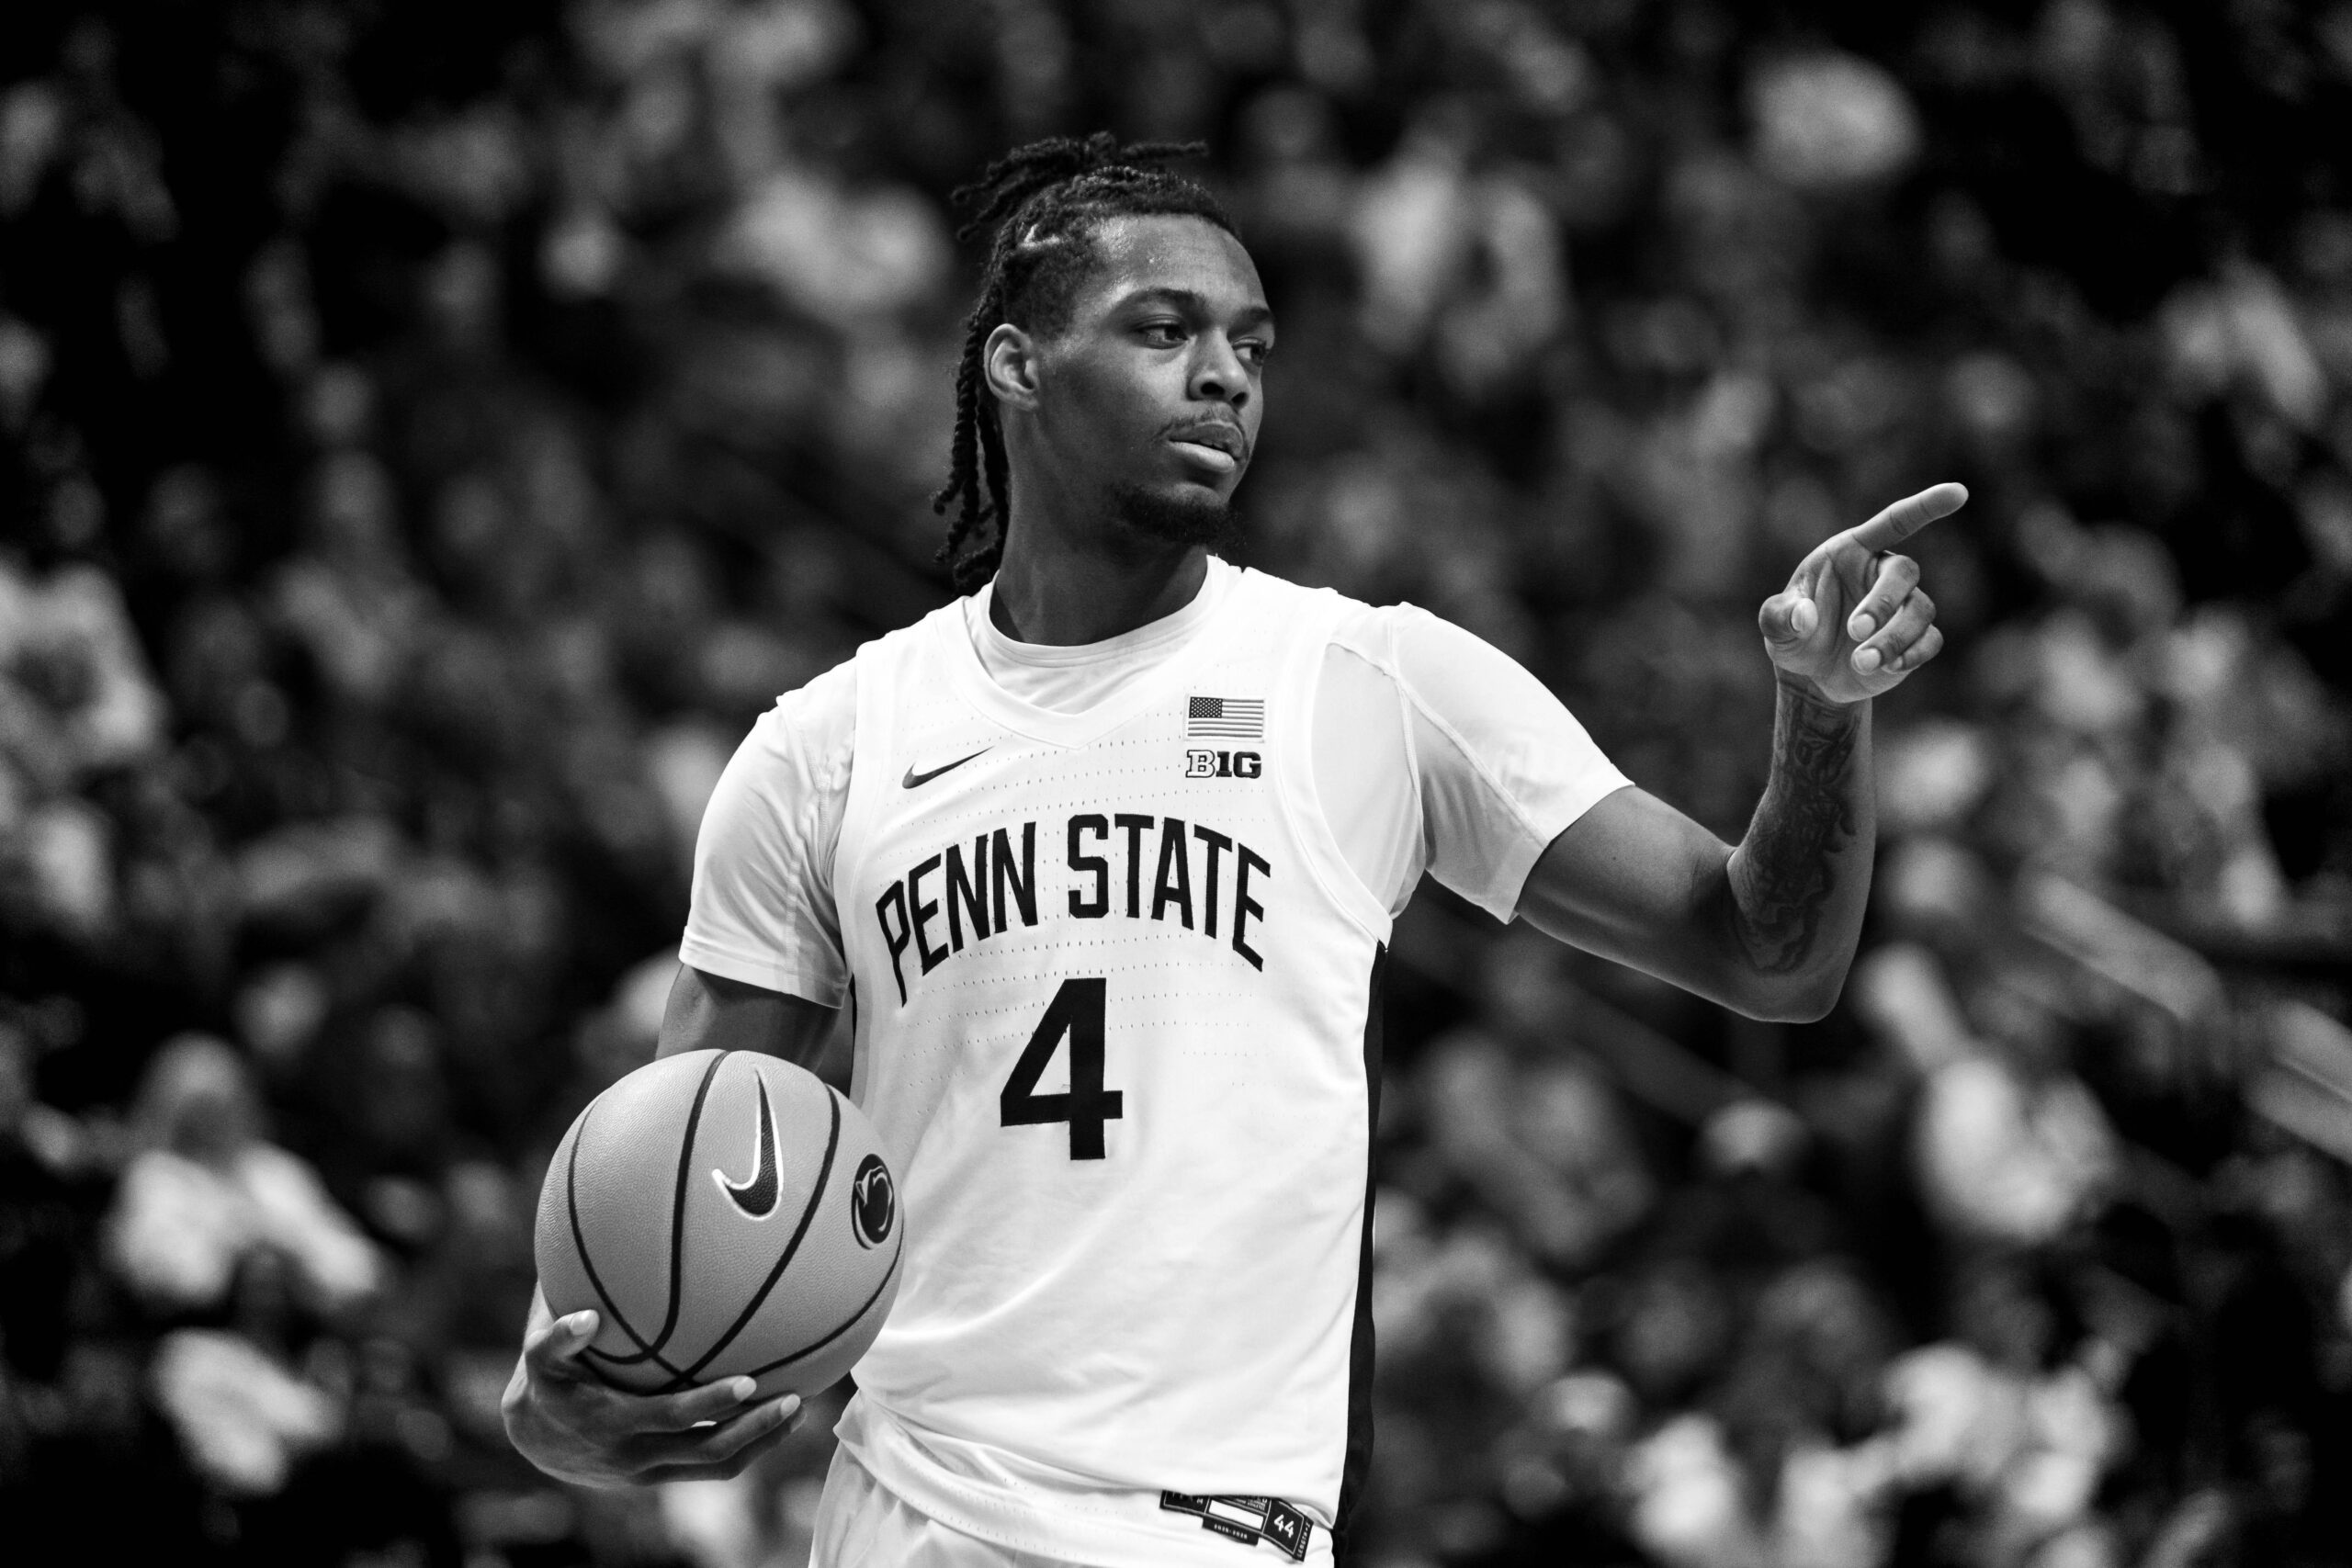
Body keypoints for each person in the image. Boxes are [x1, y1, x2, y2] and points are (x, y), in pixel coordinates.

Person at [502, 134, 1960, 1567]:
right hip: (914, 1517)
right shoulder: (825, 748)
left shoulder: (1373, 682)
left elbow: (1771, 957)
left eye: (1252, 346)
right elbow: (666, 1176)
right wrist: (565, 1405)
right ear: (1016, 366)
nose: (1226, 376)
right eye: (1163, 329)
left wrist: (1820, 716)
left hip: (1221, 1533)